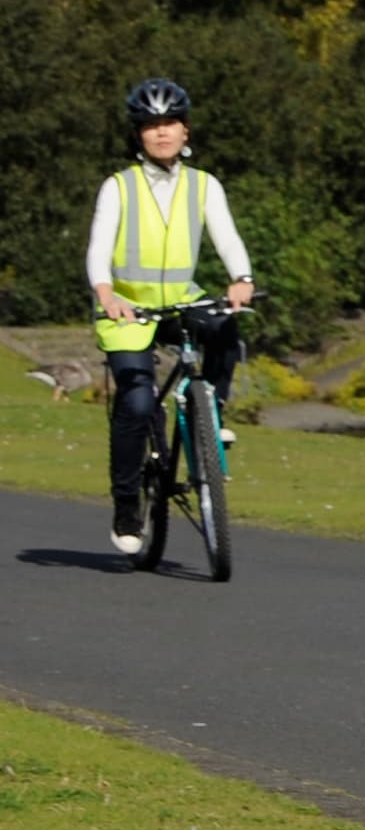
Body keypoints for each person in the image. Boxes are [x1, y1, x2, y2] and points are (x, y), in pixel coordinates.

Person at [88, 77, 256, 558]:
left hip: (180, 298)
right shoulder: (119, 187)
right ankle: (126, 505)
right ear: (138, 133)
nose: (162, 133)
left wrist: (240, 278)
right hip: (127, 308)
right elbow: (98, 250)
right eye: (151, 125)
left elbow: (227, 239)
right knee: (138, 406)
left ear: (185, 130)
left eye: (171, 123)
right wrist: (106, 293)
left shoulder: (205, 186)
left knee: (224, 323)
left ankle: (212, 413)